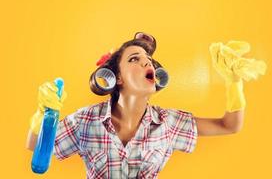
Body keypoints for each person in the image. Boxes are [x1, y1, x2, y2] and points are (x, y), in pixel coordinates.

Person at [26, 32, 266, 178]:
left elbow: (230, 125)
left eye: (148, 60)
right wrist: (43, 114)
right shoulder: (86, 120)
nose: (146, 63)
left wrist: (233, 82)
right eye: (134, 59)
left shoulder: (170, 123)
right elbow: (34, 145)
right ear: (115, 78)